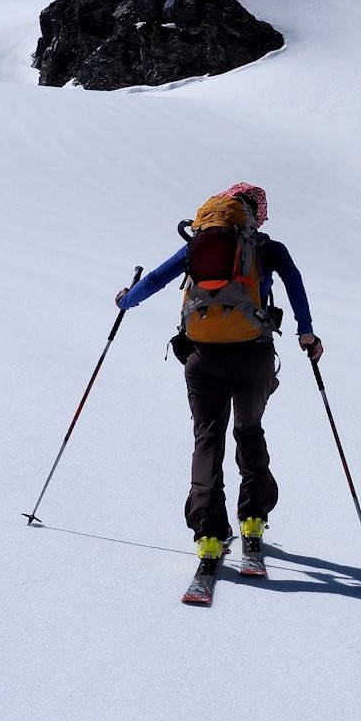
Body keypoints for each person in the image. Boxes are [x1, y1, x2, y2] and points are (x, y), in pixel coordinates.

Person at [114, 182, 322, 573]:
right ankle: (253, 520)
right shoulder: (267, 248)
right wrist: (306, 332)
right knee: (249, 429)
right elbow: (294, 281)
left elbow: (157, 278)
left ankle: (209, 535)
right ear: (255, 214)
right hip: (253, 354)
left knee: (208, 436)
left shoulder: (199, 243)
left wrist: (126, 299)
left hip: (202, 354)